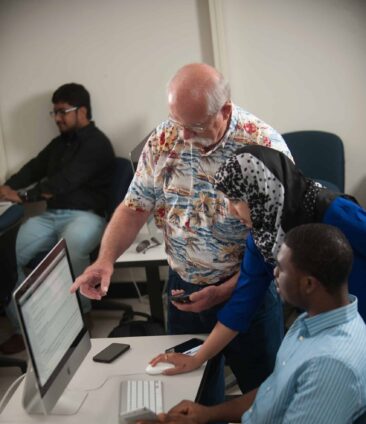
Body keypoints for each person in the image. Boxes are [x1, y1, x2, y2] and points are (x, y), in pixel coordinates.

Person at [128, 224, 366, 424]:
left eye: (281, 269)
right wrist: (206, 414)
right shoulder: (314, 320)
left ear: (309, 283)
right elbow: (272, 389)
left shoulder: (332, 363)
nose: (274, 274)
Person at [71, 63, 292, 394]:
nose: (184, 136)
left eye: (196, 125)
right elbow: (133, 207)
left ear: (225, 110)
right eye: (178, 122)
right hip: (183, 293)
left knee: (262, 398)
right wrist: (105, 261)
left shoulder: (263, 147)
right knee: (194, 399)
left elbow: (276, 243)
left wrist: (223, 291)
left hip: (247, 292)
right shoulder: (165, 138)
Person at [150, 144, 366, 376]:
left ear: (260, 191)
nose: (232, 212)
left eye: (235, 201)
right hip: (334, 331)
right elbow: (242, 303)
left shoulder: (335, 212)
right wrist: (198, 358)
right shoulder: (264, 239)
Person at [0, 83, 115, 354]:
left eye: (62, 112)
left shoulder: (97, 143)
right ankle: (24, 328)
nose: (58, 119)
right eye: (54, 113)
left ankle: (82, 316)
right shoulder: (59, 144)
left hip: (88, 217)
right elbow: (34, 168)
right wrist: (8, 187)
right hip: (51, 217)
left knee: (71, 246)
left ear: (82, 110)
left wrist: (24, 198)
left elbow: (63, 182)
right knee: (4, 255)